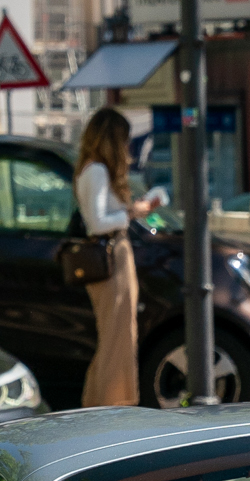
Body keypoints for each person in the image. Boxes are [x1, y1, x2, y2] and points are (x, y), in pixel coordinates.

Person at [77, 107, 163, 408]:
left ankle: (98, 405)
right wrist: (132, 212)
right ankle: (115, 407)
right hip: (113, 256)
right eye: (124, 140)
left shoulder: (90, 169)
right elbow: (98, 222)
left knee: (115, 338)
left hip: (113, 255)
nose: (127, 147)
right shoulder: (98, 170)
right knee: (119, 338)